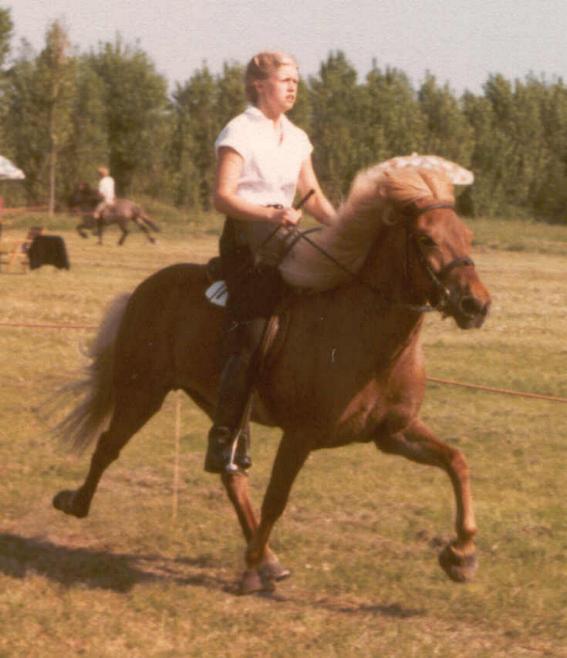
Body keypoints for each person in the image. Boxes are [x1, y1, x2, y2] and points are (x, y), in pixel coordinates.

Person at [204, 51, 336, 474]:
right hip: (247, 242)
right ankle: (225, 437)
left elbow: (311, 193)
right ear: (260, 86)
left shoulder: (296, 137)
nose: (293, 87)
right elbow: (222, 196)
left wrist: (346, 228)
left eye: (296, 80)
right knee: (256, 333)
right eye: (284, 80)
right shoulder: (239, 130)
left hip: (287, 238)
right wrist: (269, 213)